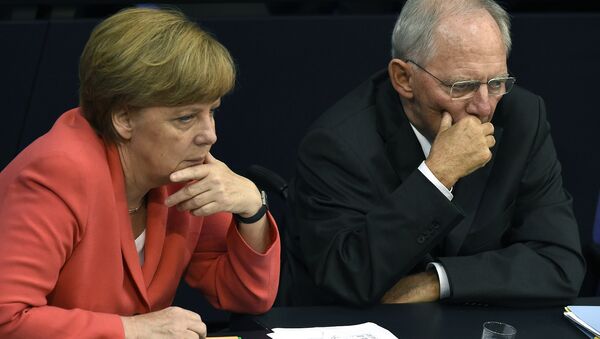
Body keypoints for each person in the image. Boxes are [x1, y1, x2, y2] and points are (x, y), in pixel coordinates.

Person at [278, 0, 585, 307]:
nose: (484, 106)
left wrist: (438, 281)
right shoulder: (337, 144)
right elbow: (346, 275)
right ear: (404, 79)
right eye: (461, 86)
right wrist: (437, 176)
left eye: (496, 82)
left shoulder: (522, 116)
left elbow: (560, 263)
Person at [0, 8, 280, 338]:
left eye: (212, 111)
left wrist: (252, 210)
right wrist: (129, 329)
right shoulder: (57, 174)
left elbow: (245, 296)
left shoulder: (183, 174)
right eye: (186, 118)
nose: (210, 135)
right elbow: (8, 318)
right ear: (124, 118)